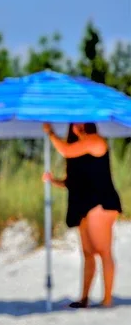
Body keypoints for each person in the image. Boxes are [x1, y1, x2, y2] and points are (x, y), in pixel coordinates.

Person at [42, 122, 123, 308]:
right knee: (87, 253)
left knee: (103, 251)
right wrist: (53, 181)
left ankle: (107, 299)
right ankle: (84, 297)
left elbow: (65, 150)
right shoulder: (78, 149)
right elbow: (73, 181)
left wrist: (50, 133)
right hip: (84, 204)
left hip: (101, 203)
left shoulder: (95, 142)